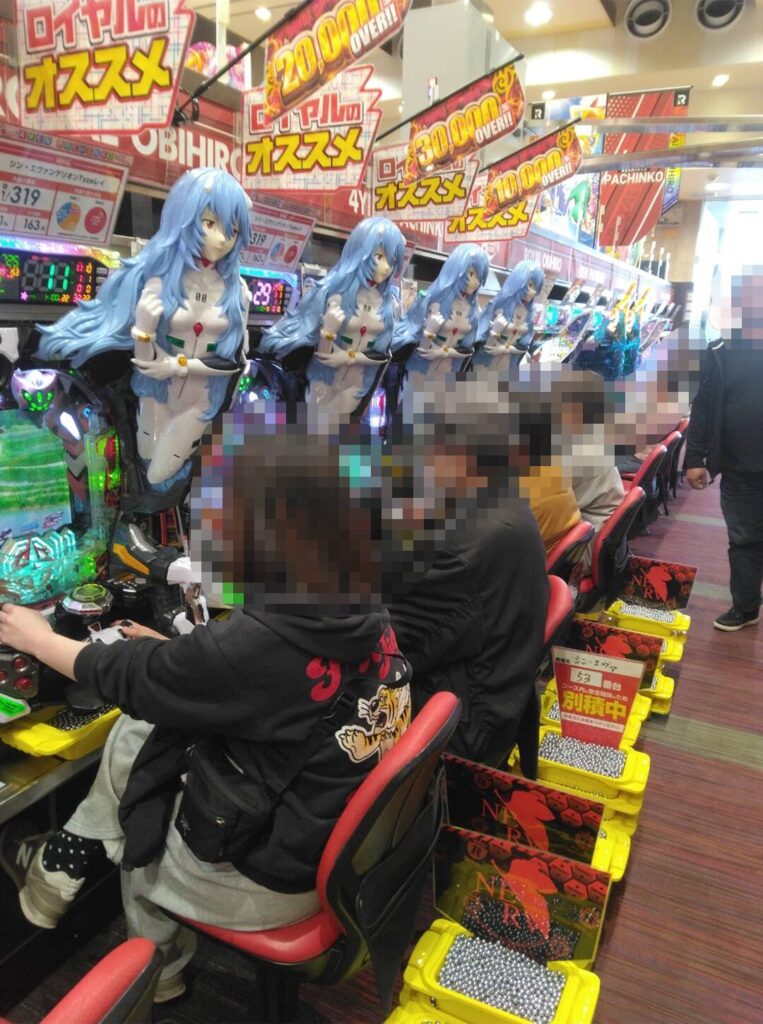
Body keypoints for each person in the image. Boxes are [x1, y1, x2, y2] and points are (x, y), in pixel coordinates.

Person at [0, 402, 412, 1002]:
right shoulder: (358, 600)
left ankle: (154, 970)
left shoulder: (260, 643)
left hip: (271, 877)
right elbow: (243, 677)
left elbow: (138, 679)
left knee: (139, 810)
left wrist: (38, 639)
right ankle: (63, 864)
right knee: (143, 734)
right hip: (336, 844)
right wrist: (181, 656)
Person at [37, 168, 253, 492]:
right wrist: (144, 332)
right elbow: (146, 362)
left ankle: (190, 493)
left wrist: (178, 365)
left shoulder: (239, 293)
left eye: (232, 230)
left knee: (158, 475)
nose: (222, 239)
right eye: (210, 223)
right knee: (147, 462)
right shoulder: (158, 278)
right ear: (185, 218)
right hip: (155, 391)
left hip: (202, 398)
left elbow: (234, 361)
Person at [386, 377, 549, 774]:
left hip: (463, 726)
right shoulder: (502, 500)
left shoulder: (463, 548)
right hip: (497, 697)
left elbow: (383, 641)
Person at [258, 217, 406, 415]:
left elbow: (382, 356)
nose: (386, 267)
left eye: (392, 260)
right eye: (379, 257)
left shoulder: (388, 304)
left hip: (359, 386)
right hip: (322, 384)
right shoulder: (333, 293)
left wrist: (348, 357)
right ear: (360, 252)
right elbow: (321, 356)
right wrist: (327, 333)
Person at [685, 264, 763, 631]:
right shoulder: (718, 351)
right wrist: (694, 458)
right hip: (738, 466)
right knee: (743, 538)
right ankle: (746, 606)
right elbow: (703, 407)